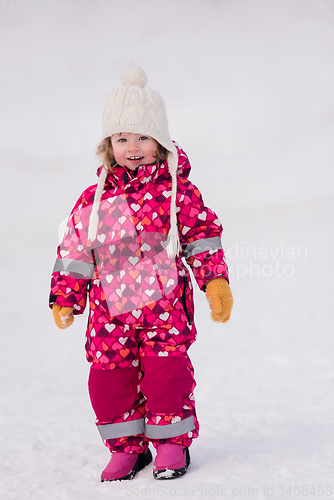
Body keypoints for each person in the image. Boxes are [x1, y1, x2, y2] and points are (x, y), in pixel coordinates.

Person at [49, 66, 233, 481]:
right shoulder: (94, 199)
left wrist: (214, 282)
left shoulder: (177, 191)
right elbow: (76, 250)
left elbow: (202, 236)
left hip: (163, 307)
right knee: (109, 382)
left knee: (167, 376)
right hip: (109, 313)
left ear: (161, 142)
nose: (133, 147)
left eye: (143, 137)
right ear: (108, 145)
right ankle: (126, 448)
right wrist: (65, 295)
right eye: (122, 138)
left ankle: (170, 444)